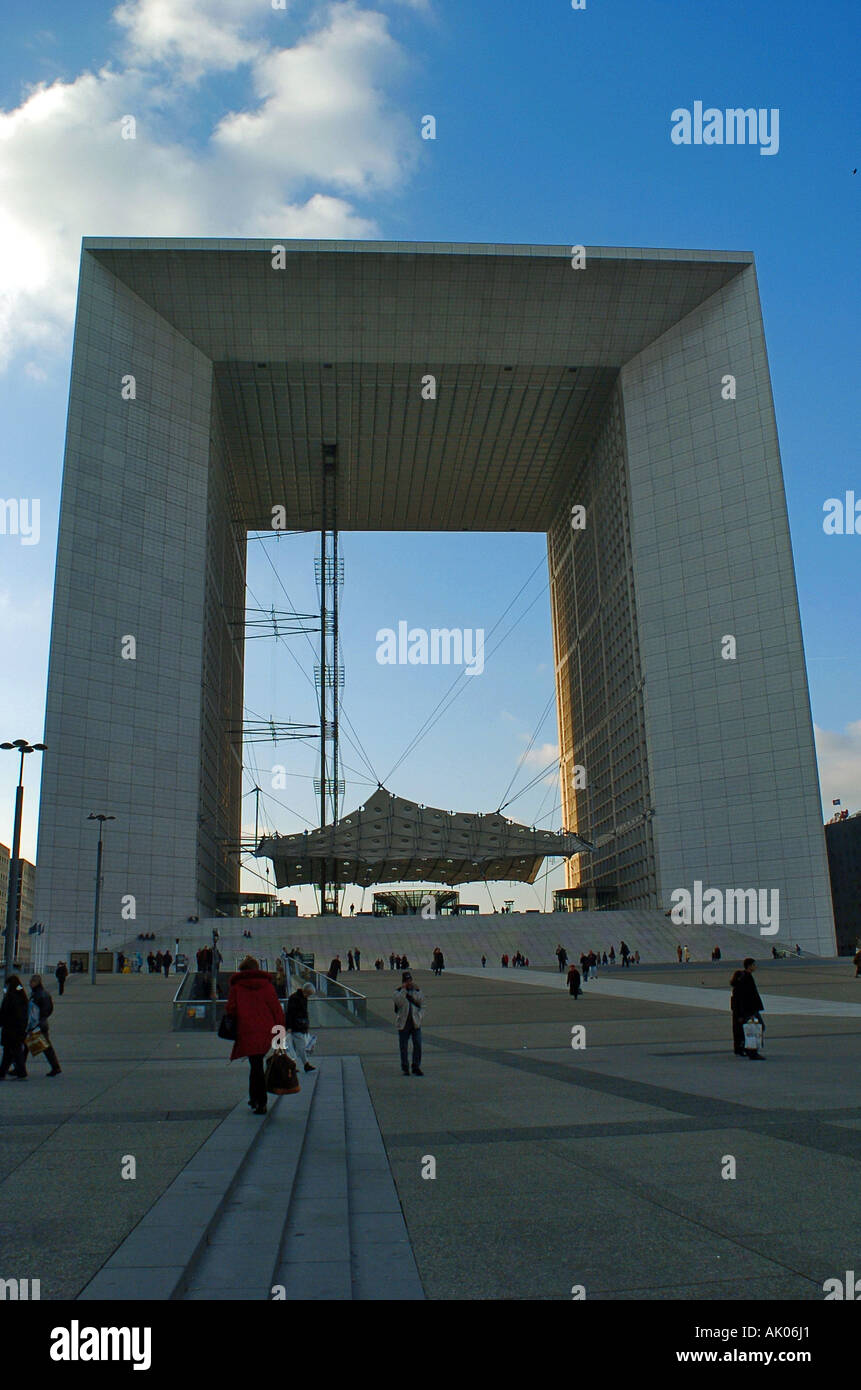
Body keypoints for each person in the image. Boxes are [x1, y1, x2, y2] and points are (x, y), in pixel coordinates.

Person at [224, 956, 285, 1114]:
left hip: (247, 1031)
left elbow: (230, 1009)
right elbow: (277, 1010)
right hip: (266, 1032)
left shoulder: (237, 987)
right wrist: (280, 1033)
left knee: (255, 1065)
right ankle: (256, 1099)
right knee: (257, 1065)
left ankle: (260, 1101)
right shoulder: (267, 986)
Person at [731, 958, 765, 1060]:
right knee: (755, 1029)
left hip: (747, 1009)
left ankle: (744, 1048)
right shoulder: (746, 978)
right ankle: (752, 1051)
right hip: (749, 1009)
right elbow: (746, 996)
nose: (755, 966)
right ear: (749, 966)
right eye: (754, 965)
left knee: (749, 1029)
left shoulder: (744, 977)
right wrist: (741, 1013)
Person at [28, 975, 62, 1076]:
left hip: (38, 1024)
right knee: (30, 1046)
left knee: (45, 1047)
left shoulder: (40, 994)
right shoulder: (38, 993)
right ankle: (19, 1067)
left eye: (32, 982)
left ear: (37, 982)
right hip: (38, 1023)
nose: (30, 984)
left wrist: (38, 1019)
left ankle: (55, 1067)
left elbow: (45, 1010)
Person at [394, 971, 424, 1076]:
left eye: (410, 980)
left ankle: (416, 1066)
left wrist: (420, 1017)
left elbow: (421, 1004)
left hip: (415, 1023)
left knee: (418, 1044)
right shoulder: (398, 992)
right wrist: (403, 990)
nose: (409, 983)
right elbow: (399, 1003)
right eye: (406, 981)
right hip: (403, 1023)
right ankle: (405, 1067)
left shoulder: (417, 991)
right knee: (403, 1046)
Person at [0, 975, 29, 1079]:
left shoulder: (10, 997)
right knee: (10, 1051)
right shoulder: (22, 995)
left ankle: (21, 1072)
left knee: (14, 1051)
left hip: (11, 1029)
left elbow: (4, 1013)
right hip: (19, 1029)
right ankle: (3, 1072)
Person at [285, 982, 316, 1073]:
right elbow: (291, 1014)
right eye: (309, 994)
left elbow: (290, 1013)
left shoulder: (296, 998)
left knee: (294, 1047)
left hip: (297, 1026)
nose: (309, 996)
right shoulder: (297, 999)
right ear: (306, 992)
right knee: (300, 1046)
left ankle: (292, 1066)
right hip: (297, 1026)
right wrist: (290, 1026)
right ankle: (305, 1064)